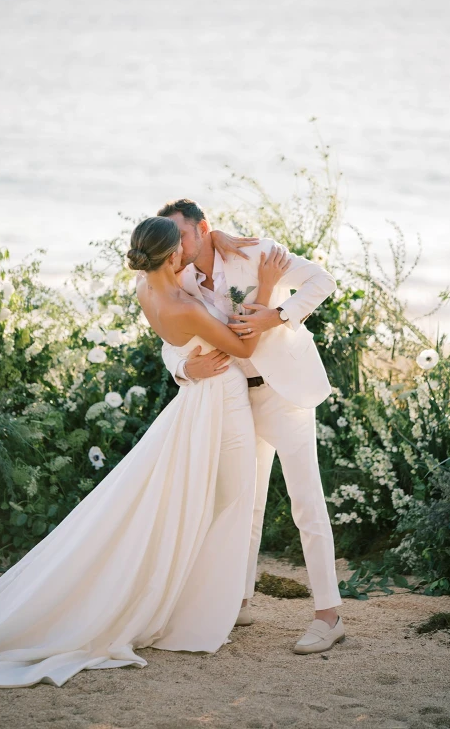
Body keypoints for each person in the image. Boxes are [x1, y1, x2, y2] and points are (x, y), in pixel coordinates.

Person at [0, 216, 290, 689]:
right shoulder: (181, 305)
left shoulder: (146, 288)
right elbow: (243, 342)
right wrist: (270, 284)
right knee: (231, 499)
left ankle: (203, 598)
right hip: (222, 401)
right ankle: (204, 609)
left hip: (199, 397)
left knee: (199, 500)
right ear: (173, 256)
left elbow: (178, 340)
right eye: (184, 250)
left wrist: (216, 239)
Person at [158, 199, 346, 655]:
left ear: (204, 229)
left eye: (181, 235)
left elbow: (323, 280)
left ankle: (329, 615)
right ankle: (240, 599)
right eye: (169, 239)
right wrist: (185, 369)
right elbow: (169, 339)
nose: (175, 247)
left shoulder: (255, 252)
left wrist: (279, 314)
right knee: (247, 500)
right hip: (236, 400)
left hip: (284, 392)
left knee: (305, 500)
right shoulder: (177, 280)